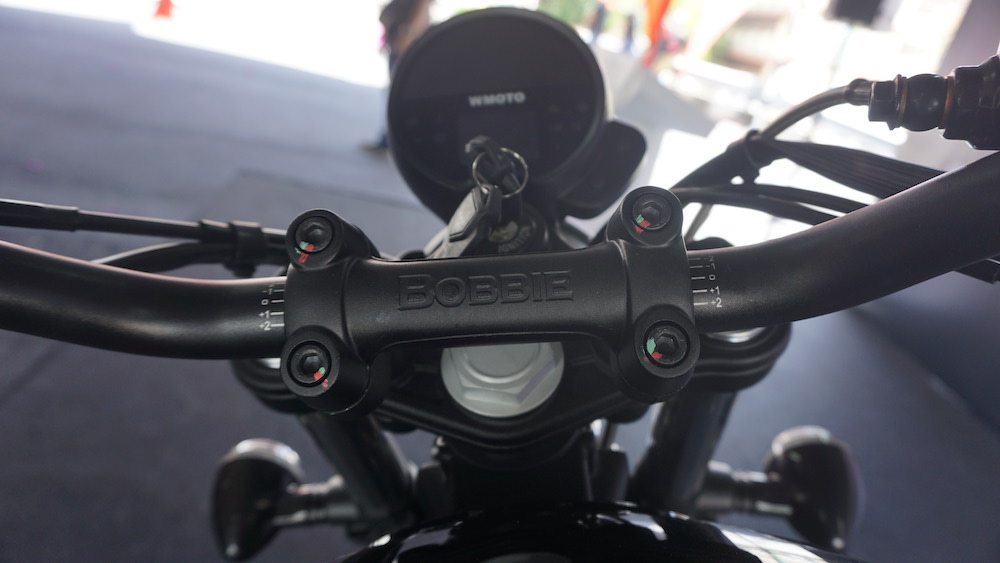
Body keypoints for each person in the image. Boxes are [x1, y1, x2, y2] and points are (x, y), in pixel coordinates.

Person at [366, 0, 433, 152]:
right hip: (397, 39)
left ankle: (392, 142)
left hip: (405, 42)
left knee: (397, 95)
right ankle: (387, 141)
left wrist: (409, 34)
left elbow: (423, 5)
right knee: (394, 94)